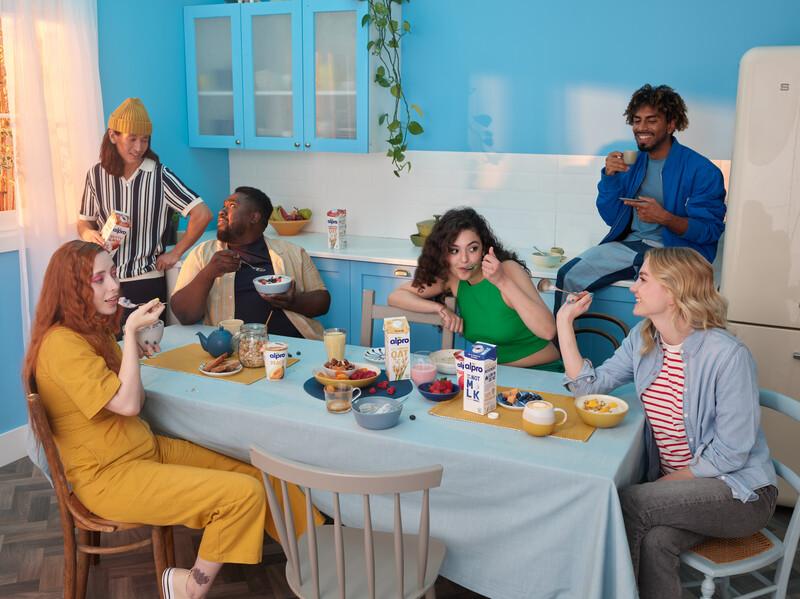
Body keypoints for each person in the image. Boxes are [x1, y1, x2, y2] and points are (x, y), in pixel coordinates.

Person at [23, 240, 321, 599]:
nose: (114, 285)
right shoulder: (61, 344)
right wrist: (130, 335)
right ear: (71, 289)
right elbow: (128, 404)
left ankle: (320, 559)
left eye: (113, 274)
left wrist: (130, 352)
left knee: (260, 475)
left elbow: (134, 400)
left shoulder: (93, 333)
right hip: (109, 476)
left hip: (144, 450)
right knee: (242, 495)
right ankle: (189, 587)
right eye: (99, 280)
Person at [556, 247, 777, 599]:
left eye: (643, 279)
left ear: (673, 291)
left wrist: (663, 485)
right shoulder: (643, 339)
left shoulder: (727, 355)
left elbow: (732, 453)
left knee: (627, 501)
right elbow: (588, 388)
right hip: (682, 492)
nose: (633, 287)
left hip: (740, 494)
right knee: (656, 541)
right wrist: (564, 322)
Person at [554, 84, 726, 312]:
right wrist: (609, 178)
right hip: (631, 247)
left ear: (671, 124)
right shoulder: (632, 163)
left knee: (658, 294)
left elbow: (709, 231)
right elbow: (612, 218)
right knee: (568, 276)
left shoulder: (702, 171)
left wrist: (664, 217)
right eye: (637, 121)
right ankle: (562, 335)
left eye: (651, 121)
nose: (641, 127)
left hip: (676, 253)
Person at [78, 97, 212, 322]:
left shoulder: (160, 176)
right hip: (103, 281)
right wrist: (87, 233)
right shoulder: (96, 175)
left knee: (147, 342)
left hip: (145, 282)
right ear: (113, 136)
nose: (139, 147)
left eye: (144, 140)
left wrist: (176, 253)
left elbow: (202, 214)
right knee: (108, 343)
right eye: (132, 139)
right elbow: (84, 221)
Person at [388, 207, 560, 369]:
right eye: (454, 251)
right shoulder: (453, 278)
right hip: (490, 375)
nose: (464, 259)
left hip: (540, 372)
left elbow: (548, 331)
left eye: (472, 249)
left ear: (484, 248)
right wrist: (439, 308)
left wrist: (502, 281)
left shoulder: (507, 270)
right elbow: (396, 296)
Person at [170, 186, 330, 339]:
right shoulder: (203, 254)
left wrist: (293, 301)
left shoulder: (292, 252)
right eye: (224, 206)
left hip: (293, 345)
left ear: (254, 217)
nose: (221, 211)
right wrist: (209, 273)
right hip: (233, 348)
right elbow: (184, 315)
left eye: (232, 206)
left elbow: (323, 302)